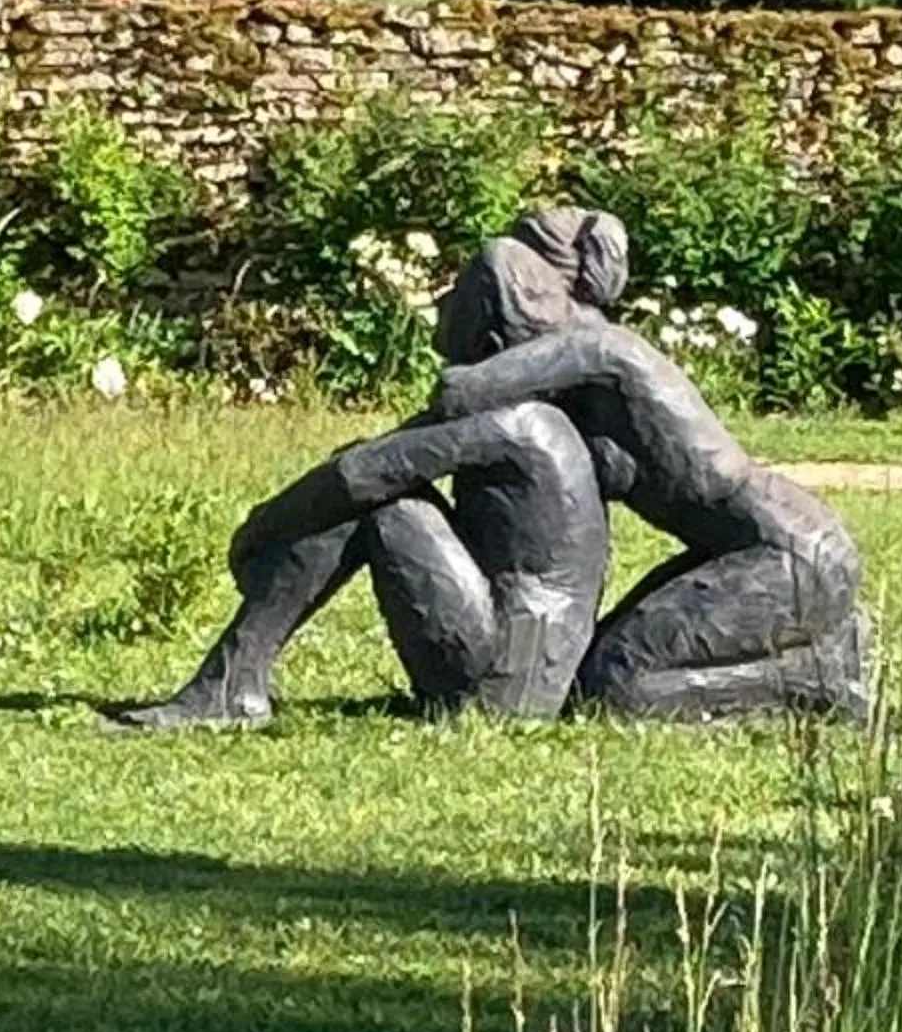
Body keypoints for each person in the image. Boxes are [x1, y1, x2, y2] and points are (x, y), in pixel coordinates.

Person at [110, 211, 628, 730]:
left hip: (505, 683)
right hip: (521, 670)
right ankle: (231, 681)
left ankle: (231, 685)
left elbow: (360, 475)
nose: (442, 310)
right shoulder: (527, 416)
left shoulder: (521, 425)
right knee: (375, 481)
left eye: (457, 304)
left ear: (491, 346)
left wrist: (263, 529)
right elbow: (379, 453)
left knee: (380, 501)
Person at [423, 274, 870, 724]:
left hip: (786, 553)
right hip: (752, 545)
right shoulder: (591, 360)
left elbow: (459, 393)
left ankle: (818, 674)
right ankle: (817, 657)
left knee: (619, 686)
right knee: (598, 671)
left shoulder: (604, 352)